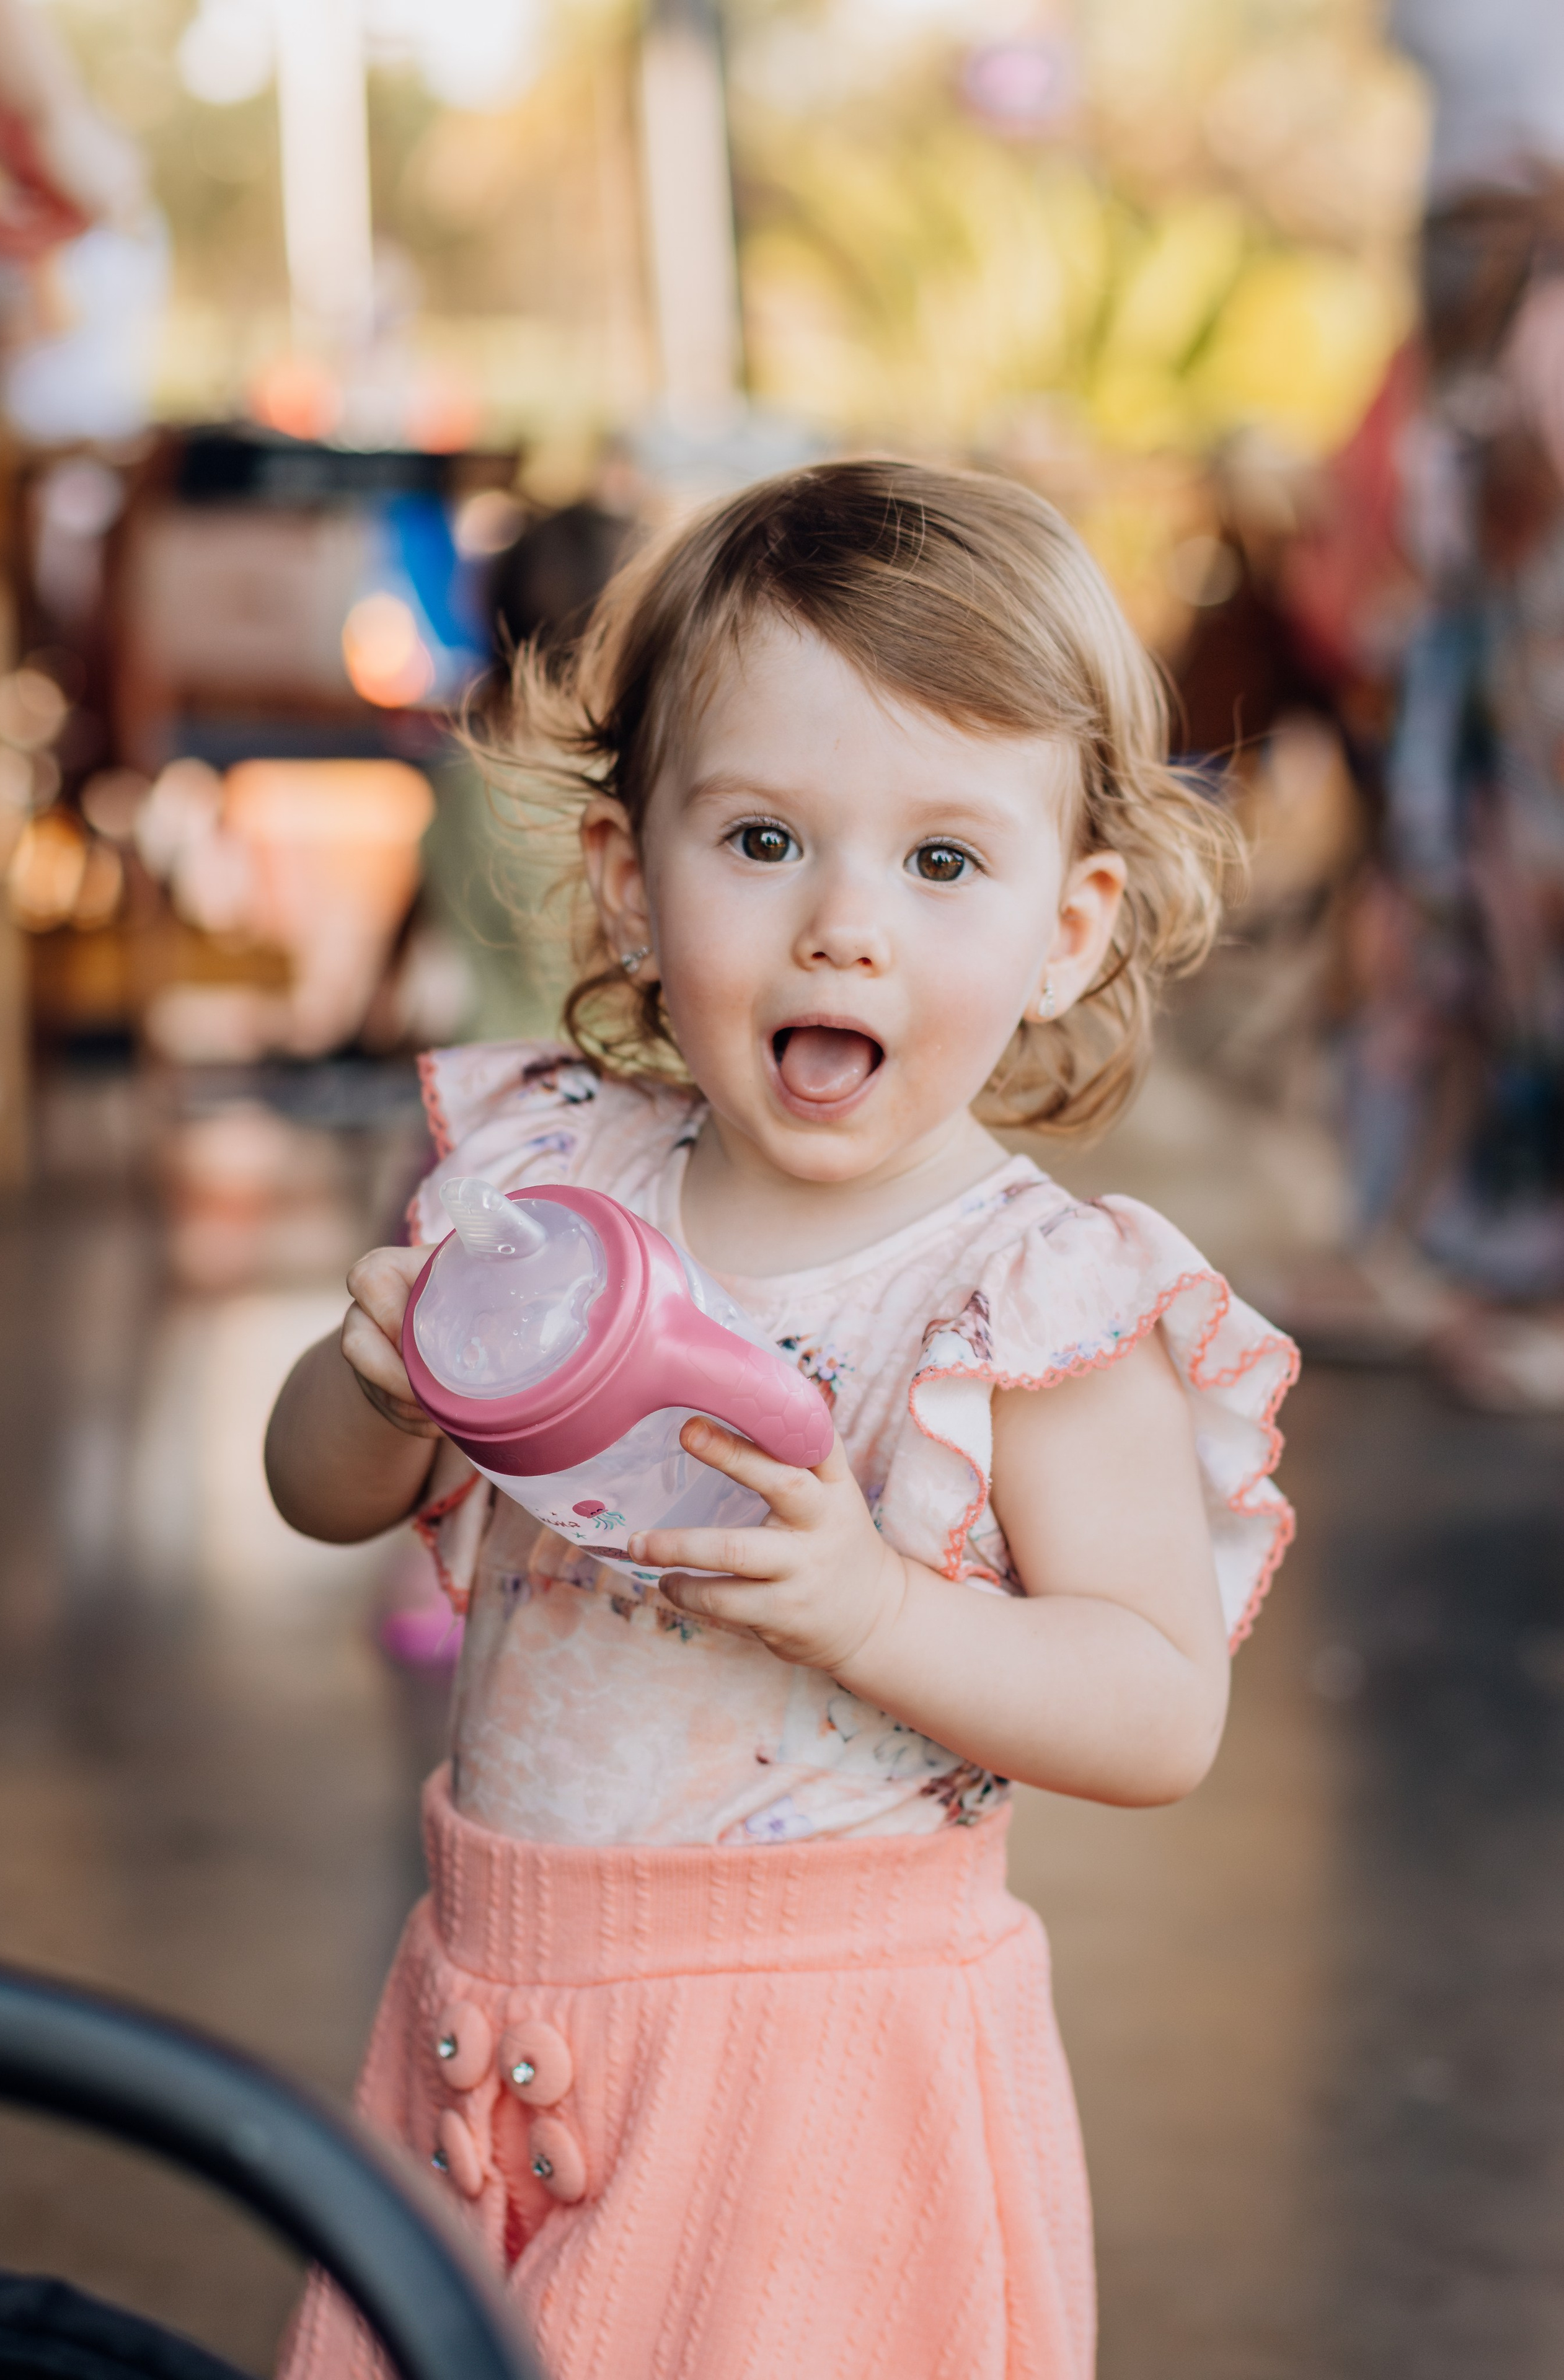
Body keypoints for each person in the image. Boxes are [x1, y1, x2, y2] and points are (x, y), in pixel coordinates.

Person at [265, 461, 1298, 2380]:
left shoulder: (1029, 1302)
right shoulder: (547, 1186)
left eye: (940, 863)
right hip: (494, 2009)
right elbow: (326, 1497)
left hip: (821, 2068)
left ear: (1069, 931)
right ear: (624, 880)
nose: (843, 927)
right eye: (761, 842)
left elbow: (1159, 1709)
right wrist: (370, 1385)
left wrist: (874, 1610)